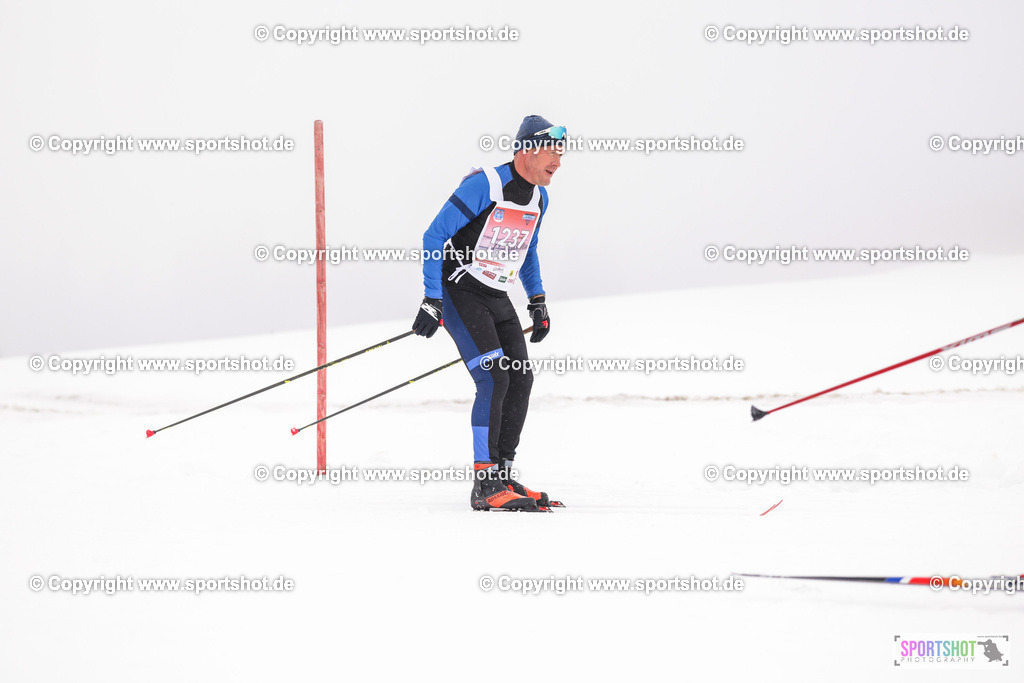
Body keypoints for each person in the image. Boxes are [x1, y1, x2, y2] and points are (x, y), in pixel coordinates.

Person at [412, 115, 566, 511]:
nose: (559, 162)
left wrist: (538, 299)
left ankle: (502, 475)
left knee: (521, 379)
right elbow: (434, 236)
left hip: (497, 294)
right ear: (527, 149)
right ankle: (484, 486)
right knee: (493, 377)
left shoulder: (539, 198)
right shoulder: (487, 185)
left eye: (562, 154)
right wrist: (432, 299)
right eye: (552, 152)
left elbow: (526, 250)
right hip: (460, 290)